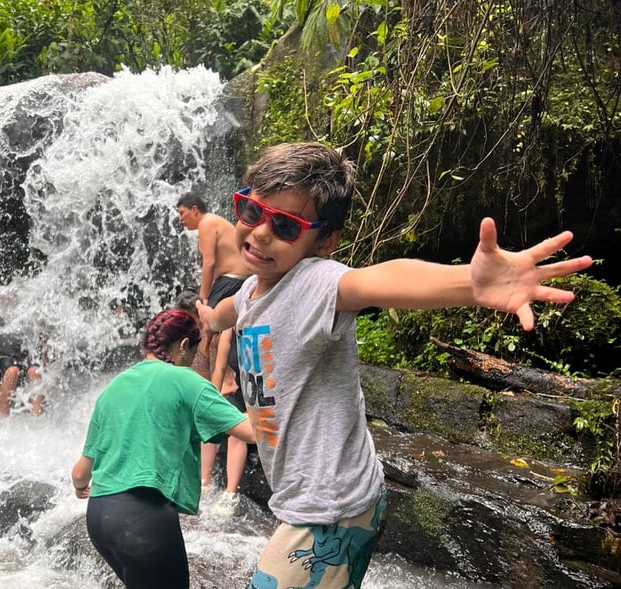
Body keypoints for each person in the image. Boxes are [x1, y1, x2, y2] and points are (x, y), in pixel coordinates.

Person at [195, 142, 593, 588]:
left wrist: (470, 282)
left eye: (286, 225)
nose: (261, 232)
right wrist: (209, 318)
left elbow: (379, 280)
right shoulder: (253, 289)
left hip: (330, 508)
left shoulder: (315, 284)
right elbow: (231, 309)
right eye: (251, 211)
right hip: (335, 492)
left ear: (323, 241)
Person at [70, 309, 255, 589]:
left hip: (99, 518)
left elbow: (80, 473)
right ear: (183, 346)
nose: (192, 362)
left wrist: (79, 487)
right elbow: (253, 432)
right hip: (142, 519)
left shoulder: (114, 387)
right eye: (193, 354)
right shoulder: (185, 380)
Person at [200, 326, 250, 519]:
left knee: (237, 432)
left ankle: (231, 493)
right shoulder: (230, 328)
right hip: (239, 392)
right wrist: (212, 402)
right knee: (212, 421)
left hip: (259, 394)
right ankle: (205, 482)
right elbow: (220, 368)